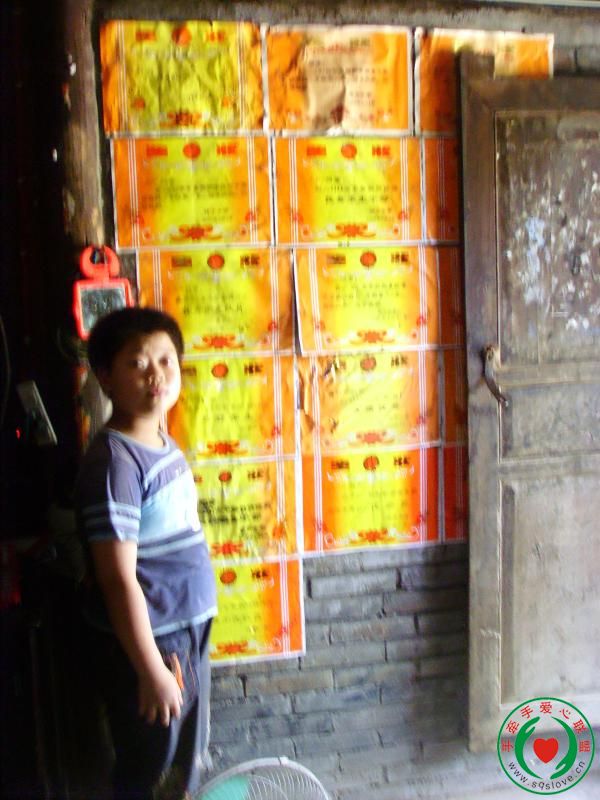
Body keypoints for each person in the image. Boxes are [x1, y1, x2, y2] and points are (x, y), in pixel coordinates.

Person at [74, 307, 217, 800]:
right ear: (105, 377)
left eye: (165, 359)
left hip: (185, 627)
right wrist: (151, 669)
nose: (155, 374)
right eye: (137, 363)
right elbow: (117, 579)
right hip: (156, 640)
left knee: (182, 763)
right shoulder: (115, 463)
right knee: (152, 765)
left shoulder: (159, 440)